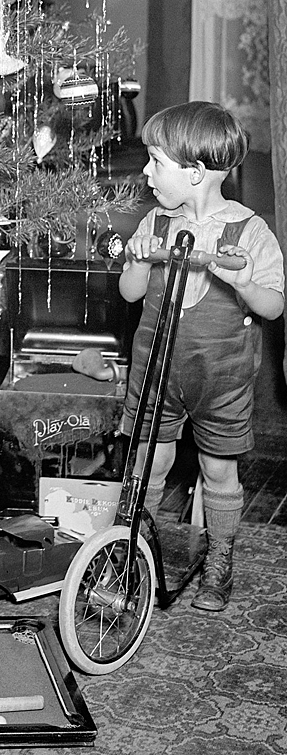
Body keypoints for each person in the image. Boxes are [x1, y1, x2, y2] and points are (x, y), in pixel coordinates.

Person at [119, 101, 284, 612]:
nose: (146, 172)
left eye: (155, 161)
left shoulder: (250, 231)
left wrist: (245, 283)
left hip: (221, 376)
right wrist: (137, 261)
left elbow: (274, 306)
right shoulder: (156, 222)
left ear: (194, 172)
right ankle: (131, 553)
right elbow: (130, 293)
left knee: (218, 469)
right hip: (157, 369)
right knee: (149, 461)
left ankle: (219, 560)